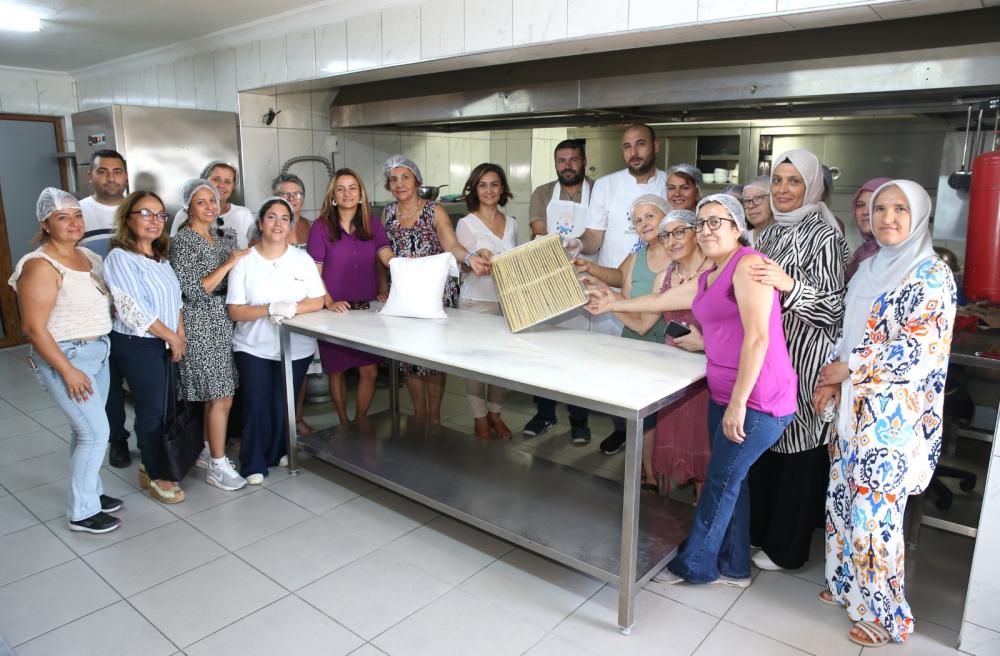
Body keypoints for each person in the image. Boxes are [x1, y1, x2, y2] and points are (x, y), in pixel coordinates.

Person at [587, 194, 797, 587]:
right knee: (735, 482)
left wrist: (737, 405)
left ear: (738, 228)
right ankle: (734, 567)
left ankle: (694, 566)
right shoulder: (710, 276)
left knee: (719, 483)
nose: (706, 230)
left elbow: (758, 340)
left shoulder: (748, 265)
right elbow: (660, 299)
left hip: (756, 399)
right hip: (726, 394)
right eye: (701, 223)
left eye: (717, 221)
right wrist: (612, 304)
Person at [813, 180, 956, 646]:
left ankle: (888, 615)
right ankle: (847, 586)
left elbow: (919, 352)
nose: (888, 218)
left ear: (919, 216)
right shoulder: (869, 267)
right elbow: (847, 330)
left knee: (876, 518)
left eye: (900, 209)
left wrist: (847, 368)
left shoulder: (930, 275)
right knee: (841, 503)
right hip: (852, 412)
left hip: (892, 420)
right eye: (880, 209)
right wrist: (832, 382)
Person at [746, 148, 850, 573]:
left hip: (805, 361)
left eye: (794, 181)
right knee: (767, 447)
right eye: (777, 181)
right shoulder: (768, 234)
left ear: (812, 187)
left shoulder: (824, 235)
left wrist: (789, 286)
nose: (783, 189)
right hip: (768, 358)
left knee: (797, 453)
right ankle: (760, 532)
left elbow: (833, 309)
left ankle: (787, 548)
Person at [9, 188, 121, 532]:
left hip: (98, 352)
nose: (73, 223)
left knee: (85, 429)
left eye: (77, 215)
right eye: (62, 217)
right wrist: (68, 370)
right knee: (95, 433)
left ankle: (91, 492)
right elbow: (33, 327)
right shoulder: (41, 265)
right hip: (66, 356)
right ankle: (82, 512)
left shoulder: (89, 256)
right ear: (46, 223)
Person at [381, 155, 488, 424]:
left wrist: (471, 257)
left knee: (432, 356)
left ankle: (435, 416)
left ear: (417, 180)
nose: (400, 184)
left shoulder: (434, 210)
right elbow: (382, 253)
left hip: (435, 294)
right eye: (393, 179)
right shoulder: (388, 213)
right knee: (408, 357)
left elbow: (451, 246)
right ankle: (419, 413)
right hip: (404, 294)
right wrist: (383, 288)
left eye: (405, 177)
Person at [226, 197, 326, 484]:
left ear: (291, 225)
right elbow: (235, 309)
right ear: (260, 223)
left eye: (284, 218)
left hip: (296, 347)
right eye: (272, 217)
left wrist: (293, 308)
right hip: (252, 346)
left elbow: (317, 299)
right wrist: (269, 309)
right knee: (256, 403)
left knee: (283, 402)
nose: (278, 223)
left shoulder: (301, 259)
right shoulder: (244, 260)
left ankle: (280, 449)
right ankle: (253, 461)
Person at [576, 196, 683, 452]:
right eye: (637, 220)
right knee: (635, 412)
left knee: (665, 419)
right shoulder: (637, 254)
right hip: (635, 344)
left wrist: (609, 301)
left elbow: (644, 323)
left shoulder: (680, 255)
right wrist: (592, 272)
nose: (643, 223)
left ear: (665, 217)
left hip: (667, 347)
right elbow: (621, 283)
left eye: (649, 216)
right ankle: (638, 460)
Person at [103, 191, 187, 504]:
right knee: (152, 410)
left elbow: (174, 299)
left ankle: (149, 463)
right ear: (128, 218)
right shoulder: (120, 258)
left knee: (164, 408)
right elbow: (132, 309)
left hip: (165, 341)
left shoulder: (160, 256)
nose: (154, 221)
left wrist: (179, 333)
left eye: (160, 215)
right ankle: (156, 474)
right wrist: (171, 337)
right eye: (146, 214)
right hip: (136, 343)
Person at [170, 179, 249, 491]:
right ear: (188, 206)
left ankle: (206, 449)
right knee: (221, 396)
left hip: (222, 322)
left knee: (215, 395)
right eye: (201, 202)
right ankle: (218, 465)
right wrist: (229, 264)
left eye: (212, 201)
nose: (209, 207)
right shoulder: (184, 241)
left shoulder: (217, 236)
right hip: (200, 324)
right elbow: (193, 289)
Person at [308, 168, 395, 425]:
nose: (347, 193)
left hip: (367, 310)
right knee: (337, 372)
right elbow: (315, 272)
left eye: (352, 188)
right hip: (335, 311)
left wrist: (403, 265)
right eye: (341, 189)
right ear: (333, 195)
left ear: (360, 194)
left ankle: (361, 421)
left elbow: (385, 254)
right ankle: (344, 423)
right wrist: (329, 301)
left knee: (369, 371)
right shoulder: (321, 226)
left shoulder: (372, 223)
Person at [522, 139, 594, 442]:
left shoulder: (599, 192)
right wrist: (562, 245)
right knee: (546, 354)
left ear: (583, 161)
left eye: (573, 160)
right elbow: (539, 230)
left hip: (588, 279)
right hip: (550, 279)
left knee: (581, 357)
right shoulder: (542, 193)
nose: (567, 165)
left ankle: (579, 420)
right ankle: (545, 413)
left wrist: (578, 247)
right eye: (561, 160)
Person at [575, 124, 668, 338]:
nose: (633, 153)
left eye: (640, 144)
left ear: (655, 146)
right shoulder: (606, 185)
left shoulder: (670, 185)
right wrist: (577, 244)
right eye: (627, 147)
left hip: (654, 292)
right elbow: (593, 237)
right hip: (611, 287)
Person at [455, 163, 518, 440]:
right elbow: (462, 267)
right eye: (483, 185)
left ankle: (496, 414)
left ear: (502, 188)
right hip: (475, 303)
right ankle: (480, 419)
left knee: (500, 365)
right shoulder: (466, 224)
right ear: (474, 189)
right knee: (475, 367)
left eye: (494, 184)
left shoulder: (513, 223)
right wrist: (476, 258)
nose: (489, 190)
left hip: (506, 304)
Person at [77, 149, 131, 469]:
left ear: (126, 175)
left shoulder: (137, 207)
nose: (111, 178)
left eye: (117, 171)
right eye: (103, 171)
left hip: (138, 314)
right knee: (108, 381)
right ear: (90, 176)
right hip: (97, 313)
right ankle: (118, 440)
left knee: (143, 379)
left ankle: (154, 437)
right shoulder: (78, 212)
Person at [652, 209, 711, 499]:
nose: (672, 241)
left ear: (696, 232)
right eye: (666, 235)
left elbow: (738, 327)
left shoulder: (716, 270)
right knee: (674, 437)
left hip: (707, 372)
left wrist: (705, 343)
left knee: (703, 442)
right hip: (671, 371)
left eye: (679, 232)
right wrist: (603, 299)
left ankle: (702, 526)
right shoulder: (666, 275)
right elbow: (641, 320)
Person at [273, 172, 318, 436]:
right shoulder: (266, 226)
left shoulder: (310, 226)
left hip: (306, 308)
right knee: (277, 369)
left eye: (296, 194)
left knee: (301, 367)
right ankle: (279, 425)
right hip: (275, 308)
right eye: (284, 194)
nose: (291, 199)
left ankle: (297, 418)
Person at [169, 160, 255, 250]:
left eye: (227, 181)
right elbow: (173, 251)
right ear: (204, 181)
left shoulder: (243, 214)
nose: (221, 185)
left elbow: (255, 247)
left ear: (233, 187)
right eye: (216, 179)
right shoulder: (185, 215)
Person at [845, 177, 892, 281]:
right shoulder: (860, 253)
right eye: (860, 205)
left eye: (874, 205)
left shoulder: (898, 257)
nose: (865, 211)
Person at [741, 176, 773, 246]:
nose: (750, 206)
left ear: (773, 200)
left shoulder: (789, 237)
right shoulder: (742, 241)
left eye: (758, 198)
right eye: (746, 200)